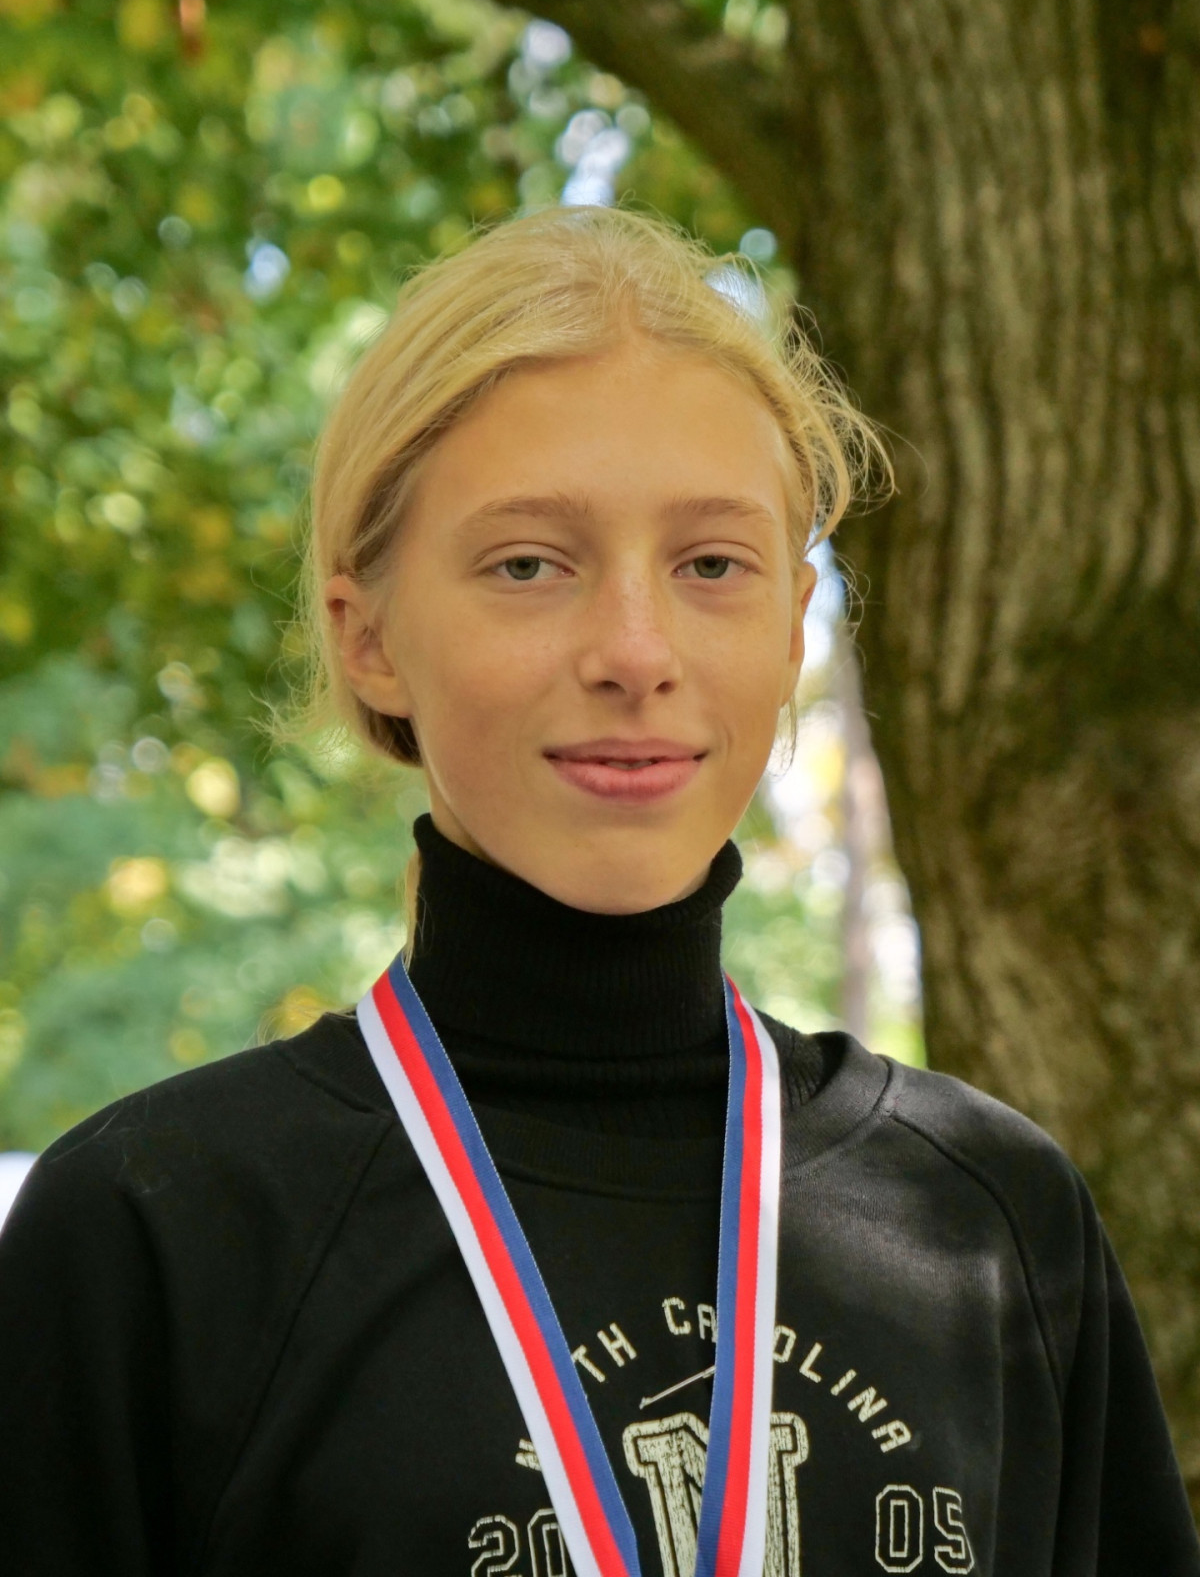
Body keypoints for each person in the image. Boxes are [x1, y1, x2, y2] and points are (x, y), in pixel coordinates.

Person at [0, 203, 1196, 1577]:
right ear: (368, 635)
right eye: (529, 564)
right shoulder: (157, 1237)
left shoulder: (992, 1222)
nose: (635, 650)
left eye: (711, 565)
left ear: (792, 626)